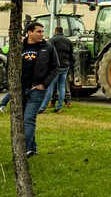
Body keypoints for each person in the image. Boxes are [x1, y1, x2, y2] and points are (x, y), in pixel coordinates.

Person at [18, 21, 57, 157]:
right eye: (39, 31)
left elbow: (55, 67)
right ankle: (33, 148)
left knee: (29, 119)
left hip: (37, 90)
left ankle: (25, 150)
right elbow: (9, 67)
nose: (42, 34)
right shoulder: (19, 47)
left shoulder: (48, 47)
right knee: (23, 119)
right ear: (29, 33)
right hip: (21, 90)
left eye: (42, 31)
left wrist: (43, 85)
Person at [40, 25, 74, 113]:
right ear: (62, 32)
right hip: (65, 66)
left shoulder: (52, 40)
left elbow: (47, 53)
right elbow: (71, 55)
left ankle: (43, 108)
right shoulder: (68, 41)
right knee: (61, 87)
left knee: (50, 87)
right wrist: (69, 65)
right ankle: (59, 107)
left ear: (55, 32)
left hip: (55, 67)